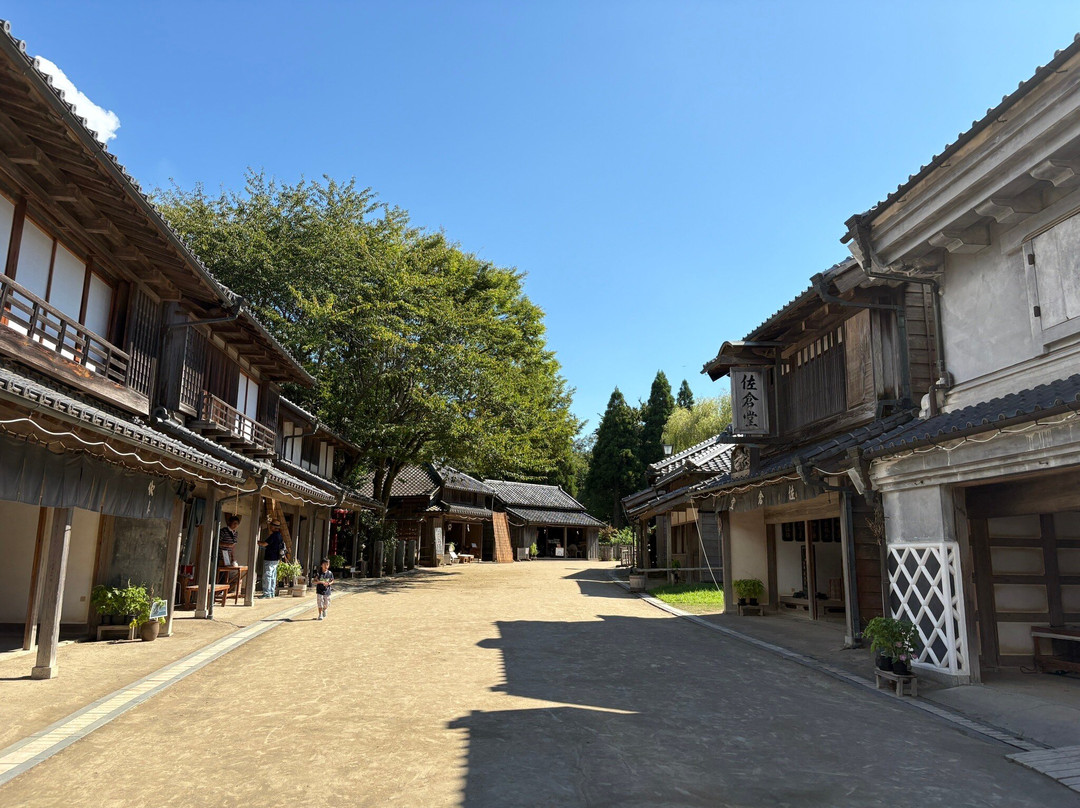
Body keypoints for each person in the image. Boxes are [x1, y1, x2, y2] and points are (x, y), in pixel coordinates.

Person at [258, 521, 287, 598]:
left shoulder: (273, 536)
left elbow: (264, 544)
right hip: (276, 558)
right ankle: (271, 592)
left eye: (271, 526)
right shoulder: (280, 536)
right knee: (273, 575)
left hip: (270, 558)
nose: (270, 527)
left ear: (274, 527)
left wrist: (258, 542)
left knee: (267, 575)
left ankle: (266, 593)